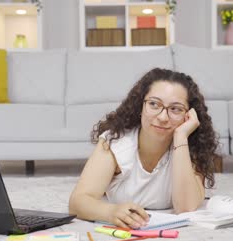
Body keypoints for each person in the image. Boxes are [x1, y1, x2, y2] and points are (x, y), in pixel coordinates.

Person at [69, 68, 218, 229]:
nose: (162, 117)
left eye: (176, 109)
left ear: (188, 115)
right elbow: (78, 202)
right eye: (154, 104)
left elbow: (185, 208)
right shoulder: (116, 142)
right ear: (140, 105)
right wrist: (111, 212)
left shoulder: (193, 147)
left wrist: (181, 136)